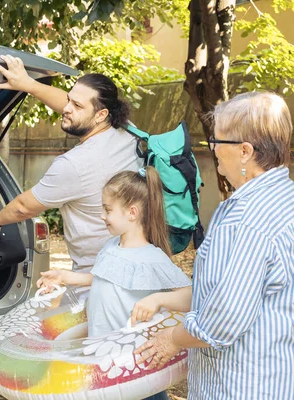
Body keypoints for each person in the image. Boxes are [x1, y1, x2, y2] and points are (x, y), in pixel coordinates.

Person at [134, 92, 294, 399]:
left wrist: (172, 339)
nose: (213, 150)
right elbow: (226, 288)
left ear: (245, 151)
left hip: (240, 385)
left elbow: (224, 319)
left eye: (217, 142)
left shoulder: (248, 217)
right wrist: (162, 299)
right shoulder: (282, 197)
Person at [0, 55, 142, 272]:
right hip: (135, 257)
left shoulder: (75, 164)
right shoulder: (127, 130)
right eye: (69, 100)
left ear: (101, 115)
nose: (66, 108)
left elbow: (23, 208)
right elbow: (69, 104)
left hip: (98, 273)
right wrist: (29, 85)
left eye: (77, 105)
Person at [37, 166, 191, 400]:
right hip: (104, 361)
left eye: (107, 210)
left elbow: (191, 296)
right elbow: (104, 279)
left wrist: (158, 299)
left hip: (136, 368)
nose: (102, 216)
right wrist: (65, 276)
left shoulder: (152, 258)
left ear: (132, 212)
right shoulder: (111, 246)